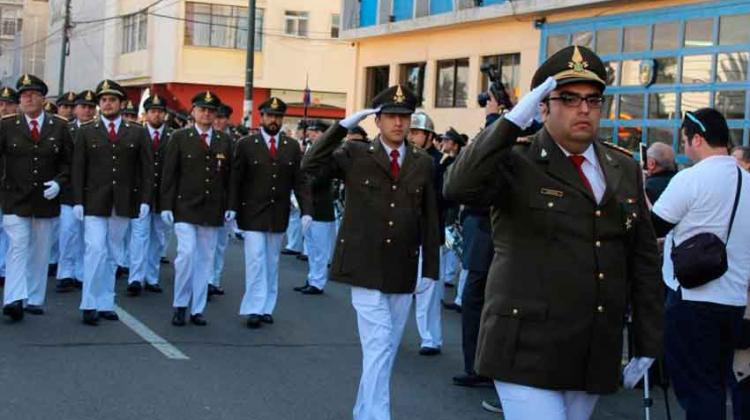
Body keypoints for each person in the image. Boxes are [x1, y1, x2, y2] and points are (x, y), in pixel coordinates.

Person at [444, 45, 663, 419]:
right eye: (569, 98)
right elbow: (457, 187)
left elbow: (641, 256)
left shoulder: (622, 167)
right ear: (542, 107)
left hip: (593, 344)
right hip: (525, 345)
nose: (583, 109)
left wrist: (648, 338)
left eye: (593, 100)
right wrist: (510, 121)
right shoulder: (516, 159)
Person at [302, 84, 440, 420]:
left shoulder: (422, 163)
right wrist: (341, 128)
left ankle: (364, 410)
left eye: (404, 117)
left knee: (386, 348)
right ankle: (378, 415)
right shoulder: (355, 154)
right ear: (377, 121)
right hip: (363, 264)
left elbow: (430, 217)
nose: (399, 123)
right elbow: (310, 163)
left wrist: (431, 270)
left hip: (402, 265)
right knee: (379, 343)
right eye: (391, 116)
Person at [651, 108, 750, 420]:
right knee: (716, 386)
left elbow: (654, 227)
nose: (683, 149)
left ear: (698, 139)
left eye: (684, 141)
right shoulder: (747, 180)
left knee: (698, 391)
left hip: (692, 300)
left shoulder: (690, 179)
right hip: (734, 301)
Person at [72, 79, 153, 326]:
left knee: (113, 252)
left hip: (124, 201)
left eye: (112, 100)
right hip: (94, 200)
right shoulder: (86, 131)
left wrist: (145, 200)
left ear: (122, 103)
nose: (107, 104)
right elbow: (78, 168)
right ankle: (88, 303)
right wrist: (77, 200)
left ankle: (105, 301)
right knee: (95, 248)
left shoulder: (137, 132)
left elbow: (147, 170)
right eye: (103, 100)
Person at [229, 97, 312, 329]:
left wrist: (307, 211)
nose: (273, 120)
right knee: (255, 259)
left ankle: (267, 306)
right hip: (252, 212)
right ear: (261, 117)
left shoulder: (291, 146)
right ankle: (253, 307)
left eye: (278, 116)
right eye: (269, 115)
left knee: (271, 261)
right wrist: (232, 208)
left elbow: (300, 181)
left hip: (278, 213)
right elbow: (237, 179)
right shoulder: (246, 144)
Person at [0, 74, 73, 320]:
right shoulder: (7, 125)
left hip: (45, 198)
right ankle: (13, 299)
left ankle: (34, 297)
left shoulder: (60, 126)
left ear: (43, 98)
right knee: (18, 247)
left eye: (33, 94)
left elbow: (68, 162)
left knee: (41, 250)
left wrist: (59, 183)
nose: (28, 98)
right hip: (15, 197)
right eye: (24, 95)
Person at [160, 91, 232, 326]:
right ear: (193, 112)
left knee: (205, 259)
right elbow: (169, 173)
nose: (206, 114)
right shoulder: (180, 137)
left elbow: (230, 177)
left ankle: (197, 308)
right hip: (185, 206)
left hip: (211, 209)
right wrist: (166, 205)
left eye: (211, 111)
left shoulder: (224, 140)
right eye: (202, 109)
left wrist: (230, 205)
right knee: (186, 255)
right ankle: (180, 304)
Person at [127, 94, 172, 296]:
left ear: (165, 115)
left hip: (162, 195)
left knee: (157, 237)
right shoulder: (136, 133)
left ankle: (151, 277)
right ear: (146, 114)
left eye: (160, 111)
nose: (156, 115)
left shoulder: (173, 136)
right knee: (139, 236)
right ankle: (135, 277)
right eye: (153, 111)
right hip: (139, 194)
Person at [55, 90, 97, 292]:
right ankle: (65, 273)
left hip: (92, 191)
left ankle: (81, 273)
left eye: (91, 107)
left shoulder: (100, 130)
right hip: (69, 191)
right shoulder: (65, 129)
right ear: (76, 109)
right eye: (83, 106)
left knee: (86, 236)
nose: (87, 110)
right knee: (67, 232)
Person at [294, 119, 336, 295]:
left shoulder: (329, 155)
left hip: (321, 205)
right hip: (309, 206)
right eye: (311, 131)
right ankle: (312, 278)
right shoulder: (310, 151)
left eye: (316, 131)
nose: (311, 134)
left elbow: (321, 178)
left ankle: (318, 282)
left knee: (320, 249)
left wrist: (302, 182)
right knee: (311, 247)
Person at [0, 86, 19, 288]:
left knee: (11, 232)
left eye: (9, 104)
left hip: (15, 189)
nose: (4, 108)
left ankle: (6, 270)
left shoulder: (22, 128)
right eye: (1, 104)